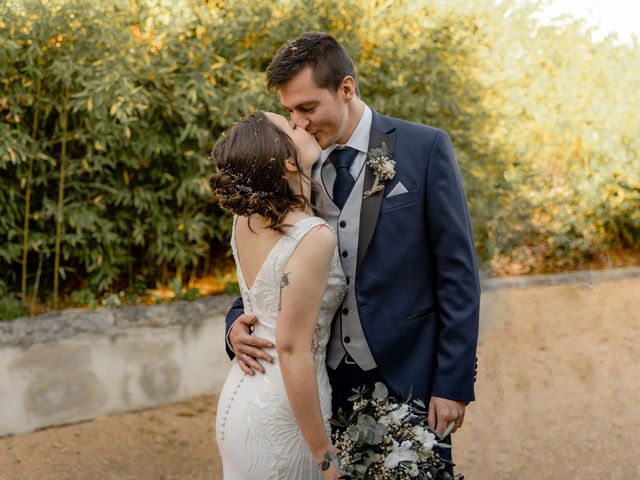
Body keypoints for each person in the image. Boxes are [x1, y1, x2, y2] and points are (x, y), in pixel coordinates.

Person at [226, 31, 481, 468]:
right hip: (321, 386)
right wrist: (236, 323)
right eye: (290, 112)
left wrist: (452, 383)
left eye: (308, 108)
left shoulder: (425, 148)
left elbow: (457, 276)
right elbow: (272, 264)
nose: (300, 124)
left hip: (409, 377)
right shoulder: (293, 164)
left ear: (346, 88)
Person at [210, 110, 345, 479]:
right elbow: (290, 348)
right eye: (291, 126)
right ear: (288, 160)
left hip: (241, 393)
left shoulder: (245, 220)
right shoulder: (312, 236)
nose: (300, 122)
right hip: (283, 418)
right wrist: (325, 457)